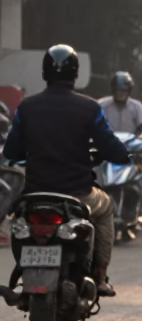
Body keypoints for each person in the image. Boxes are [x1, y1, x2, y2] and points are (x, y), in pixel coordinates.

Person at [3, 44, 132, 297]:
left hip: (35, 194)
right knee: (106, 207)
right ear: (75, 74)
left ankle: (24, 268)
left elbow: (11, 151)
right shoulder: (90, 108)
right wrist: (121, 155)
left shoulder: (26, 108)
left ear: (45, 73)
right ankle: (101, 275)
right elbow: (109, 145)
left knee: (20, 221)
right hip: (78, 194)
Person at [99, 71, 142, 136]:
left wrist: (141, 135)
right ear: (113, 90)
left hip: (130, 144)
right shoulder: (102, 105)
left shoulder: (137, 106)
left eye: (124, 90)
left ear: (129, 91)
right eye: (118, 90)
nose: (121, 93)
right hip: (107, 143)